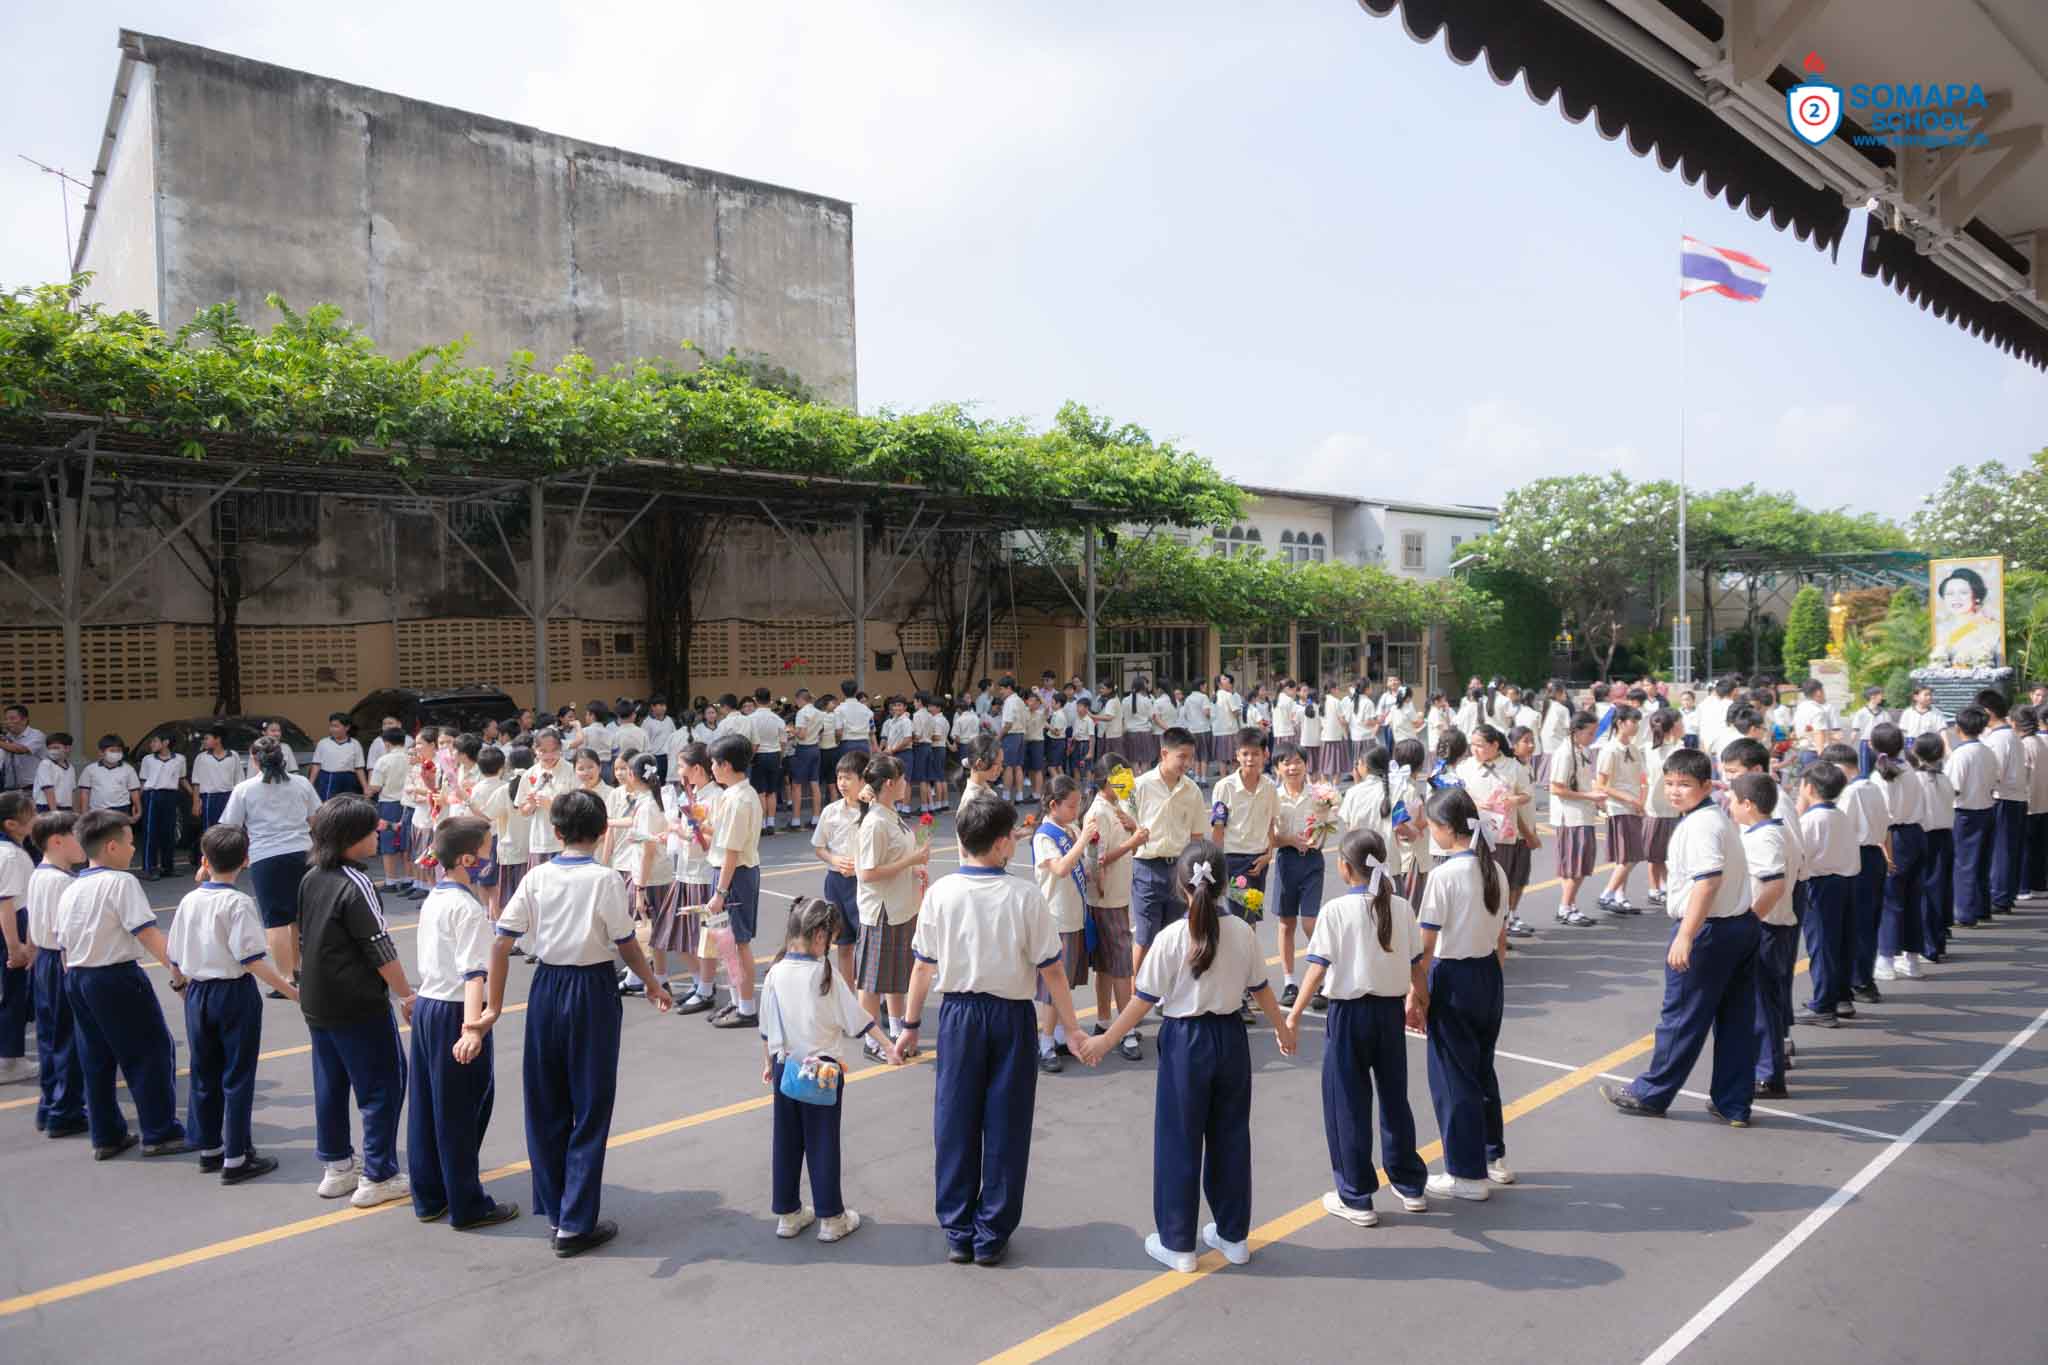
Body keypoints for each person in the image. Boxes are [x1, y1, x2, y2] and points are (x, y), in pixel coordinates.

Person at [898, 794, 1096, 1266]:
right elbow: (1052, 971)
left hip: (957, 1016)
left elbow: (922, 967)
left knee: (955, 1120)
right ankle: (991, 1233)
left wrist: (909, 1026)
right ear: (1003, 844)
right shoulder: (1025, 896)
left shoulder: (941, 893)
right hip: (1010, 1016)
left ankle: (958, 1229)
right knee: (1007, 1123)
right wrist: (1072, 1029)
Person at [1078, 841, 1291, 1273]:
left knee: (1180, 1138)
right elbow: (1262, 989)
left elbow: (1141, 1001)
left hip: (1185, 1042)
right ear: (1225, 885)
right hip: (1230, 1037)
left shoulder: (1171, 938)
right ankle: (1233, 1237)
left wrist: (1106, 1041)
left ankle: (1179, 1244)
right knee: (1231, 1137)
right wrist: (1282, 1028)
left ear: (1181, 886)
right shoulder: (1243, 932)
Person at [487, 788, 670, 1257]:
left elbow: (501, 941)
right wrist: (651, 983)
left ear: (556, 832)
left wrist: (492, 1005)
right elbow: (626, 942)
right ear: (603, 830)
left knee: (546, 1100)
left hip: (546, 987)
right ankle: (575, 1222)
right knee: (589, 1101)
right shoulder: (605, 879)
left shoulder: (537, 876)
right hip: (592, 989)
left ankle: (556, 1211)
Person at [1602, 747, 1760, 1125]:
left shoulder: (1700, 825)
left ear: (1706, 785)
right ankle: (1733, 1102)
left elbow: (1708, 882)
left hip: (1709, 929)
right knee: (1736, 1021)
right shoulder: (1716, 818)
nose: (1674, 791)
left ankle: (1651, 1093)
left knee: (1681, 1016)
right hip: (1739, 926)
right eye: (1669, 783)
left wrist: (1686, 936)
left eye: (1684, 784)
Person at [1285, 827, 1428, 1227]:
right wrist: (1420, 1003)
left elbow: (1317, 970)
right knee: (1395, 1098)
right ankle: (1409, 1184)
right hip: (1389, 1014)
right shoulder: (1401, 907)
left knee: (1347, 1103)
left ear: (1345, 867)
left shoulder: (1335, 910)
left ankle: (1356, 1195)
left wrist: (1293, 1016)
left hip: (1348, 1016)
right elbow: (1417, 967)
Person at [298, 795, 416, 1207]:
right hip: (357, 1003)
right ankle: (379, 1174)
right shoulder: (356, 883)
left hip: (317, 999)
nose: (378, 832)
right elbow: (378, 946)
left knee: (330, 1085)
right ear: (351, 839)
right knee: (382, 1086)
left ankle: (337, 1167)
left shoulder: (312, 877)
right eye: (371, 829)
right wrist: (406, 994)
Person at [56, 810, 191, 1159]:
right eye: (130, 843)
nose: (134, 849)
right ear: (112, 847)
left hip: (78, 976)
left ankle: (107, 1135)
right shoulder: (121, 882)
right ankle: (159, 1131)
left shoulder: (72, 887)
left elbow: (63, 945)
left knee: (96, 1057)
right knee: (150, 1052)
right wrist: (179, 975)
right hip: (115, 976)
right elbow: (147, 933)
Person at [407, 815, 519, 1230]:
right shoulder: (467, 908)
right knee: (463, 1110)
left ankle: (430, 1196)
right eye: (489, 848)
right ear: (468, 859)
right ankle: (468, 1205)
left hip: (429, 1005)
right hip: (456, 1010)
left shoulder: (436, 896)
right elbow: (475, 975)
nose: (493, 855)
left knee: (427, 1107)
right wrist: (473, 1029)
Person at [167, 824, 297, 1183]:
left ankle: (210, 1148)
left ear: (204, 861)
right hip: (233, 992)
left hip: (198, 992)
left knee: (204, 1072)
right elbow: (252, 959)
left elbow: (173, 953)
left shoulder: (189, 900)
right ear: (246, 860)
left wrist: (179, 984)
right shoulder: (238, 903)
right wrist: (292, 992)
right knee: (237, 1075)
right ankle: (237, 1157)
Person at [761, 897, 895, 1244]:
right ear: (820, 936)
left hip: (785, 1067)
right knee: (822, 1143)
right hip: (822, 1073)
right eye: (832, 940)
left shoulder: (775, 973)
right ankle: (831, 1218)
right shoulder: (825, 975)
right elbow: (858, 1019)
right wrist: (888, 1045)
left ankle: (788, 1214)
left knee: (786, 1141)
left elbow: (767, 1027)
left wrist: (768, 1063)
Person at [1415, 788, 1510, 1201]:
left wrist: (1416, 994)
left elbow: (1426, 946)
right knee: (1482, 1069)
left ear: (1447, 829)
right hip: (1488, 974)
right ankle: (1492, 1156)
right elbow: (1501, 937)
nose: (1430, 833)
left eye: (1431, 826)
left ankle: (1466, 1175)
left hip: (1453, 976)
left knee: (1453, 1079)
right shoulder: (1495, 869)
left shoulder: (1444, 876)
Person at [219, 737, 322, 997]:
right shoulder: (301, 783)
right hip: (303, 852)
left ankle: (286, 980)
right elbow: (317, 819)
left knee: (275, 920)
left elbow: (230, 827)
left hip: (266, 856)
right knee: (298, 916)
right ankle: (299, 969)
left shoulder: (245, 789)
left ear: (254, 761)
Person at [1730, 774, 1800, 1100]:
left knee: (1761, 1003)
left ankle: (1768, 1074)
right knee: (1766, 1000)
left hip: (1766, 927)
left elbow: (1774, 885)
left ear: (1748, 805)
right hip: (1776, 925)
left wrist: (1750, 920)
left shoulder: (1764, 838)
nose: (1730, 807)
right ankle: (1767, 1068)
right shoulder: (1777, 830)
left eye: (1733, 801)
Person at [853, 754, 927, 1059]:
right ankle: (873, 1042)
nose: (906, 783)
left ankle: (895, 1031)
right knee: (872, 982)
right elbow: (867, 873)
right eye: (902, 778)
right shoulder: (875, 823)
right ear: (889, 783)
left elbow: (895, 858)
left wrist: (914, 869)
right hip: (882, 909)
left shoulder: (890, 813)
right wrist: (910, 861)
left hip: (901, 905)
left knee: (897, 975)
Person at [1128, 729, 1209, 978]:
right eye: (1181, 757)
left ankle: (1168, 992)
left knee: (1175, 935)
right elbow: (1126, 829)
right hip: (1147, 868)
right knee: (1145, 937)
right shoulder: (1139, 786)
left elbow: (1197, 837)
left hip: (1179, 870)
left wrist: (1194, 876)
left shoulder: (1192, 791)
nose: (1187, 763)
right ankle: (1135, 993)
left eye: (1191, 757)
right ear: (1164, 753)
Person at [1030, 775, 1096, 1074]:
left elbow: (1078, 865)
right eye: (1071, 806)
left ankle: (1057, 1034)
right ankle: (1045, 1041)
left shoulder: (1070, 828)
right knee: (1052, 986)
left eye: (1078, 805)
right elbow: (1060, 868)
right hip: (1056, 919)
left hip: (1074, 915)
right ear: (1053, 805)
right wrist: (1082, 841)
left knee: (1065, 982)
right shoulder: (1045, 835)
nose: (1076, 811)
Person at [1082, 753, 1145, 1061]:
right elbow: (1097, 859)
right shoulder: (1098, 812)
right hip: (1106, 899)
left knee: (1107, 966)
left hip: (1115, 896)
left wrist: (1133, 830)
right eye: (1123, 776)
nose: (1128, 781)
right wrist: (1133, 842)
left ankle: (1105, 1021)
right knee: (1121, 966)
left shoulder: (1115, 806)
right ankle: (1125, 1030)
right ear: (1108, 780)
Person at [26, 810, 85, 1132]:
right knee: (69, 1039)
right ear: (57, 841)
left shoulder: (40, 873)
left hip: (44, 960)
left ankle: (50, 1105)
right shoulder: (63, 883)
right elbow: (66, 934)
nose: (83, 843)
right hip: (62, 961)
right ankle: (66, 1112)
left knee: (50, 1038)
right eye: (77, 836)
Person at [705, 733, 764, 1028]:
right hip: (727, 873)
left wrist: (720, 892)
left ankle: (747, 1008)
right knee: (725, 943)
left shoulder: (740, 800)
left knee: (738, 943)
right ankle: (737, 999)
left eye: (714, 763)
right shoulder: (732, 794)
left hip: (734, 876)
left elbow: (732, 851)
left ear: (726, 765)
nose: (711, 768)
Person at [1794, 761, 1856, 1028]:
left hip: (1819, 885)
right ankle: (1841, 997)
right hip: (1845, 881)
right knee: (1841, 943)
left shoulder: (1810, 820)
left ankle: (1823, 1005)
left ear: (1808, 788)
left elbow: (1799, 855)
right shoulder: (1840, 815)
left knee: (1822, 946)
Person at [1829, 741, 1891, 1006]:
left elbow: (1839, 827)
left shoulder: (1849, 793)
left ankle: (1858, 981)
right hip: (1873, 855)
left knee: (1854, 925)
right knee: (1868, 923)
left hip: (1855, 856)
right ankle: (1864, 978)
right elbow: (1886, 825)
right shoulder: (1873, 786)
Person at [1459, 724, 1534, 940]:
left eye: (1480, 745)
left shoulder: (1513, 767)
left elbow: (1527, 794)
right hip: (1473, 835)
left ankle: (1498, 932)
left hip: (1502, 835)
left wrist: (1513, 800)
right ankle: (1476, 931)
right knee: (1475, 883)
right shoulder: (1465, 767)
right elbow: (1457, 794)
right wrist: (1475, 804)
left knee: (1500, 883)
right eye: (1472, 745)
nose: (1474, 749)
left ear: (1495, 745)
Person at [1867, 723, 1928, 985]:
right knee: (1913, 898)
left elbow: (1881, 817)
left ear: (1873, 746)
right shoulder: (1910, 769)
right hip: (1915, 833)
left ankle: (1886, 960)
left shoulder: (1878, 775)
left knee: (1890, 900)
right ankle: (1912, 959)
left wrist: (1883, 849)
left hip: (1892, 837)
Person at [1270, 741, 1329, 1008]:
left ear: (1306, 765)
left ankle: (1323, 979)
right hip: (1287, 860)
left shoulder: (1320, 795)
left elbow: (1329, 826)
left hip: (1313, 861)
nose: (1293, 767)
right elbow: (1270, 838)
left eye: (1298, 762)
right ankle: (1290, 982)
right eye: (1286, 763)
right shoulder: (1273, 797)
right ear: (1277, 768)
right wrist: (1290, 840)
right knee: (1286, 923)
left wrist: (1318, 839)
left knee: (1310, 921)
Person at [811, 752, 868, 986]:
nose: (842, 783)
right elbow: (819, 847)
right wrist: (834, 860)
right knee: (843, 944)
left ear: (863, 780)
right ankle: (848, 995)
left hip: (863, 882)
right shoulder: (831, 811)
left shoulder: (873, 812)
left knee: (867, 944)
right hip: (836, 883)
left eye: (848, 778)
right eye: (839, 778)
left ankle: (873, 996)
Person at [1209, 727, 1278, 921]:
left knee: (1251, 917)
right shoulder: (1225, 787)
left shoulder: (1269, 787)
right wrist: (1218, 864)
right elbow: (1218, 829)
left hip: (1259, 862)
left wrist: (1269, 854)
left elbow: (1271, 822)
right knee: (1240, 918)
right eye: (1245, 753)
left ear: (1265, 755)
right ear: (1237, 755)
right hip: (1234, 861)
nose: (1250, 759)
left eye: (1255, 753)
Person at [1944, 705, 1998, 928]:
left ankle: (1965, 913)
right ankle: (1982, 907)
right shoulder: (1988, 751)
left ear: (1959, 728)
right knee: (1983, 862)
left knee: (1964, 864)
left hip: (1965, 812)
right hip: (1987, 808)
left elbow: (1953, 788)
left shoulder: (1960, 755)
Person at [1548, 711, 1602, 926]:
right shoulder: (1565, 753)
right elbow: (1556, 788)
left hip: (1581, 814)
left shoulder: (1580, 750)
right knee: (1575, 866)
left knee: (1578, 865)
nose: (1593, 737)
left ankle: (1569, 905)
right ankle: (1565, 907)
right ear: (1576, 731)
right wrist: (1590, 796)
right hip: (1571, 816)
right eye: (1590, 733)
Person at [1978, 688, 2029, 916]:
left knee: (2001, 850)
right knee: (2009, 849)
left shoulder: (1998, 739)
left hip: (2003, 798)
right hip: (2016, 797)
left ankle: (2000, 895)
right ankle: (2005, 894)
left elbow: (1994, 773)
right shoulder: (2012, 736)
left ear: (1988, 712)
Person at [1595, 705, 1647, 914]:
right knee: (1629, 857)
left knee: (1627, 856)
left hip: (1633, 806)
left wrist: (1640, 801)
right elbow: (1601, 785)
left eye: (1637, 722)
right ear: (1620, 723)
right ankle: (1606, 894)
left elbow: (1641, 779)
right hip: (1619, 807)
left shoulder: (1633, 749)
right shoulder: (1610, 750)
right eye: (1632, 722)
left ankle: (1620, 896)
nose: (1636, 726)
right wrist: (1629, 799)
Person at [1912, 732, 1957, 963]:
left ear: (1916, 753)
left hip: (1925, 837)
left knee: (1925, 892)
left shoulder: (1916, 780)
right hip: (1945, 836)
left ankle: (1928, 946)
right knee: (1941, 890)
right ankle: (1938, 941)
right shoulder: (1944, 779)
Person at [0, 793, 34, 1085]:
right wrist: (15, 946)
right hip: (11, 926)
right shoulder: (11, 856)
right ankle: (10, 1060)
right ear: (11, 824)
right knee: (13, 993)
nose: (36, 819)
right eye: (31, 815)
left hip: (11, 923)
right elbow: (6, 904)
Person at [1641, 708, 1686, 909]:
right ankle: (1663, 887)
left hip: (1653, 805)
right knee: (1668, 851)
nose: (1683, 726)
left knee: (1655, 851)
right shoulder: (1677, 750)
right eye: (1681, 722)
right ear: (1674, 726)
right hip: (1672, 805)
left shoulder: (1648, 748)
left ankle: (1656, 888)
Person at [134, 733, 185, 880]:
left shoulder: (180, 759)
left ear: (165, 742)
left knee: (169, 832)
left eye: (155, 741)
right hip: (152, 795)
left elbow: (181, 779)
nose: (152, 744)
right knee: (151, 831)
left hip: (171, 795)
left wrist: (194, 796)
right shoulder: (148, 759)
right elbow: (143, 782)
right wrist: (137, 803)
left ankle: (167, 867)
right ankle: (149, 868)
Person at [76, 734, 140, 819]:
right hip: (97, 810)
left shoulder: (128, 769)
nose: (116, 753)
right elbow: (85, 793)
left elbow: (134, 792)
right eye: (112, 750)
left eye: (119, 750)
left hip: (121, 810)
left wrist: (138, 809)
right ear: (101, 752)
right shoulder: (90, 769)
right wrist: (84, 814)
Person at [309, 713, 368, 800]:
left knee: (348, 804)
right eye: (331, 726)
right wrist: (310, 784)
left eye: (336, 726)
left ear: (347, 727)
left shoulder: (355, 744)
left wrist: (365, 787)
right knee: (328, 804)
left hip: (349, 780)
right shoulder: (323, 743)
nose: (332, 729)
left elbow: (359, 768)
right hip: (328, 779)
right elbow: (316, 765)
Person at [33, 731, 75, 816]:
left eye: (56, 748)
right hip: (47, 807)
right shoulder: (45, 764)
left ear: (67, 748)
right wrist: (54, 812)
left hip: (66, 808)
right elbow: (48, 789)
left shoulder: (71, 768)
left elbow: (72, 791)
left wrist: (74, 811)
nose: (52, 751)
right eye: (49, 748)